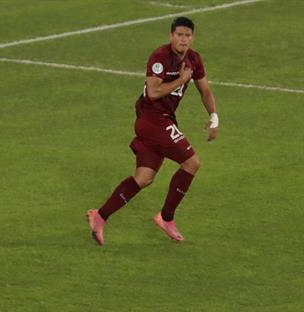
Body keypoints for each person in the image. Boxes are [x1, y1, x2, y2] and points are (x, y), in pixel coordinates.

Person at [87, 16, 219, 245]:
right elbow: (153, 93)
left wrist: (214, 116)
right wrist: (180, 80)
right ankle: (166, 218)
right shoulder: (160, 57)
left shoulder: (194, 59)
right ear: (171, 36)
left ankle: (100, 215)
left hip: (163, 121)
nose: (183, 40)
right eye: (179, 35)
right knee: (192, 163)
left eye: (187, 35)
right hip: (152, 120)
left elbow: (205, 90)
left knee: (144, 178)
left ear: (192, 37)